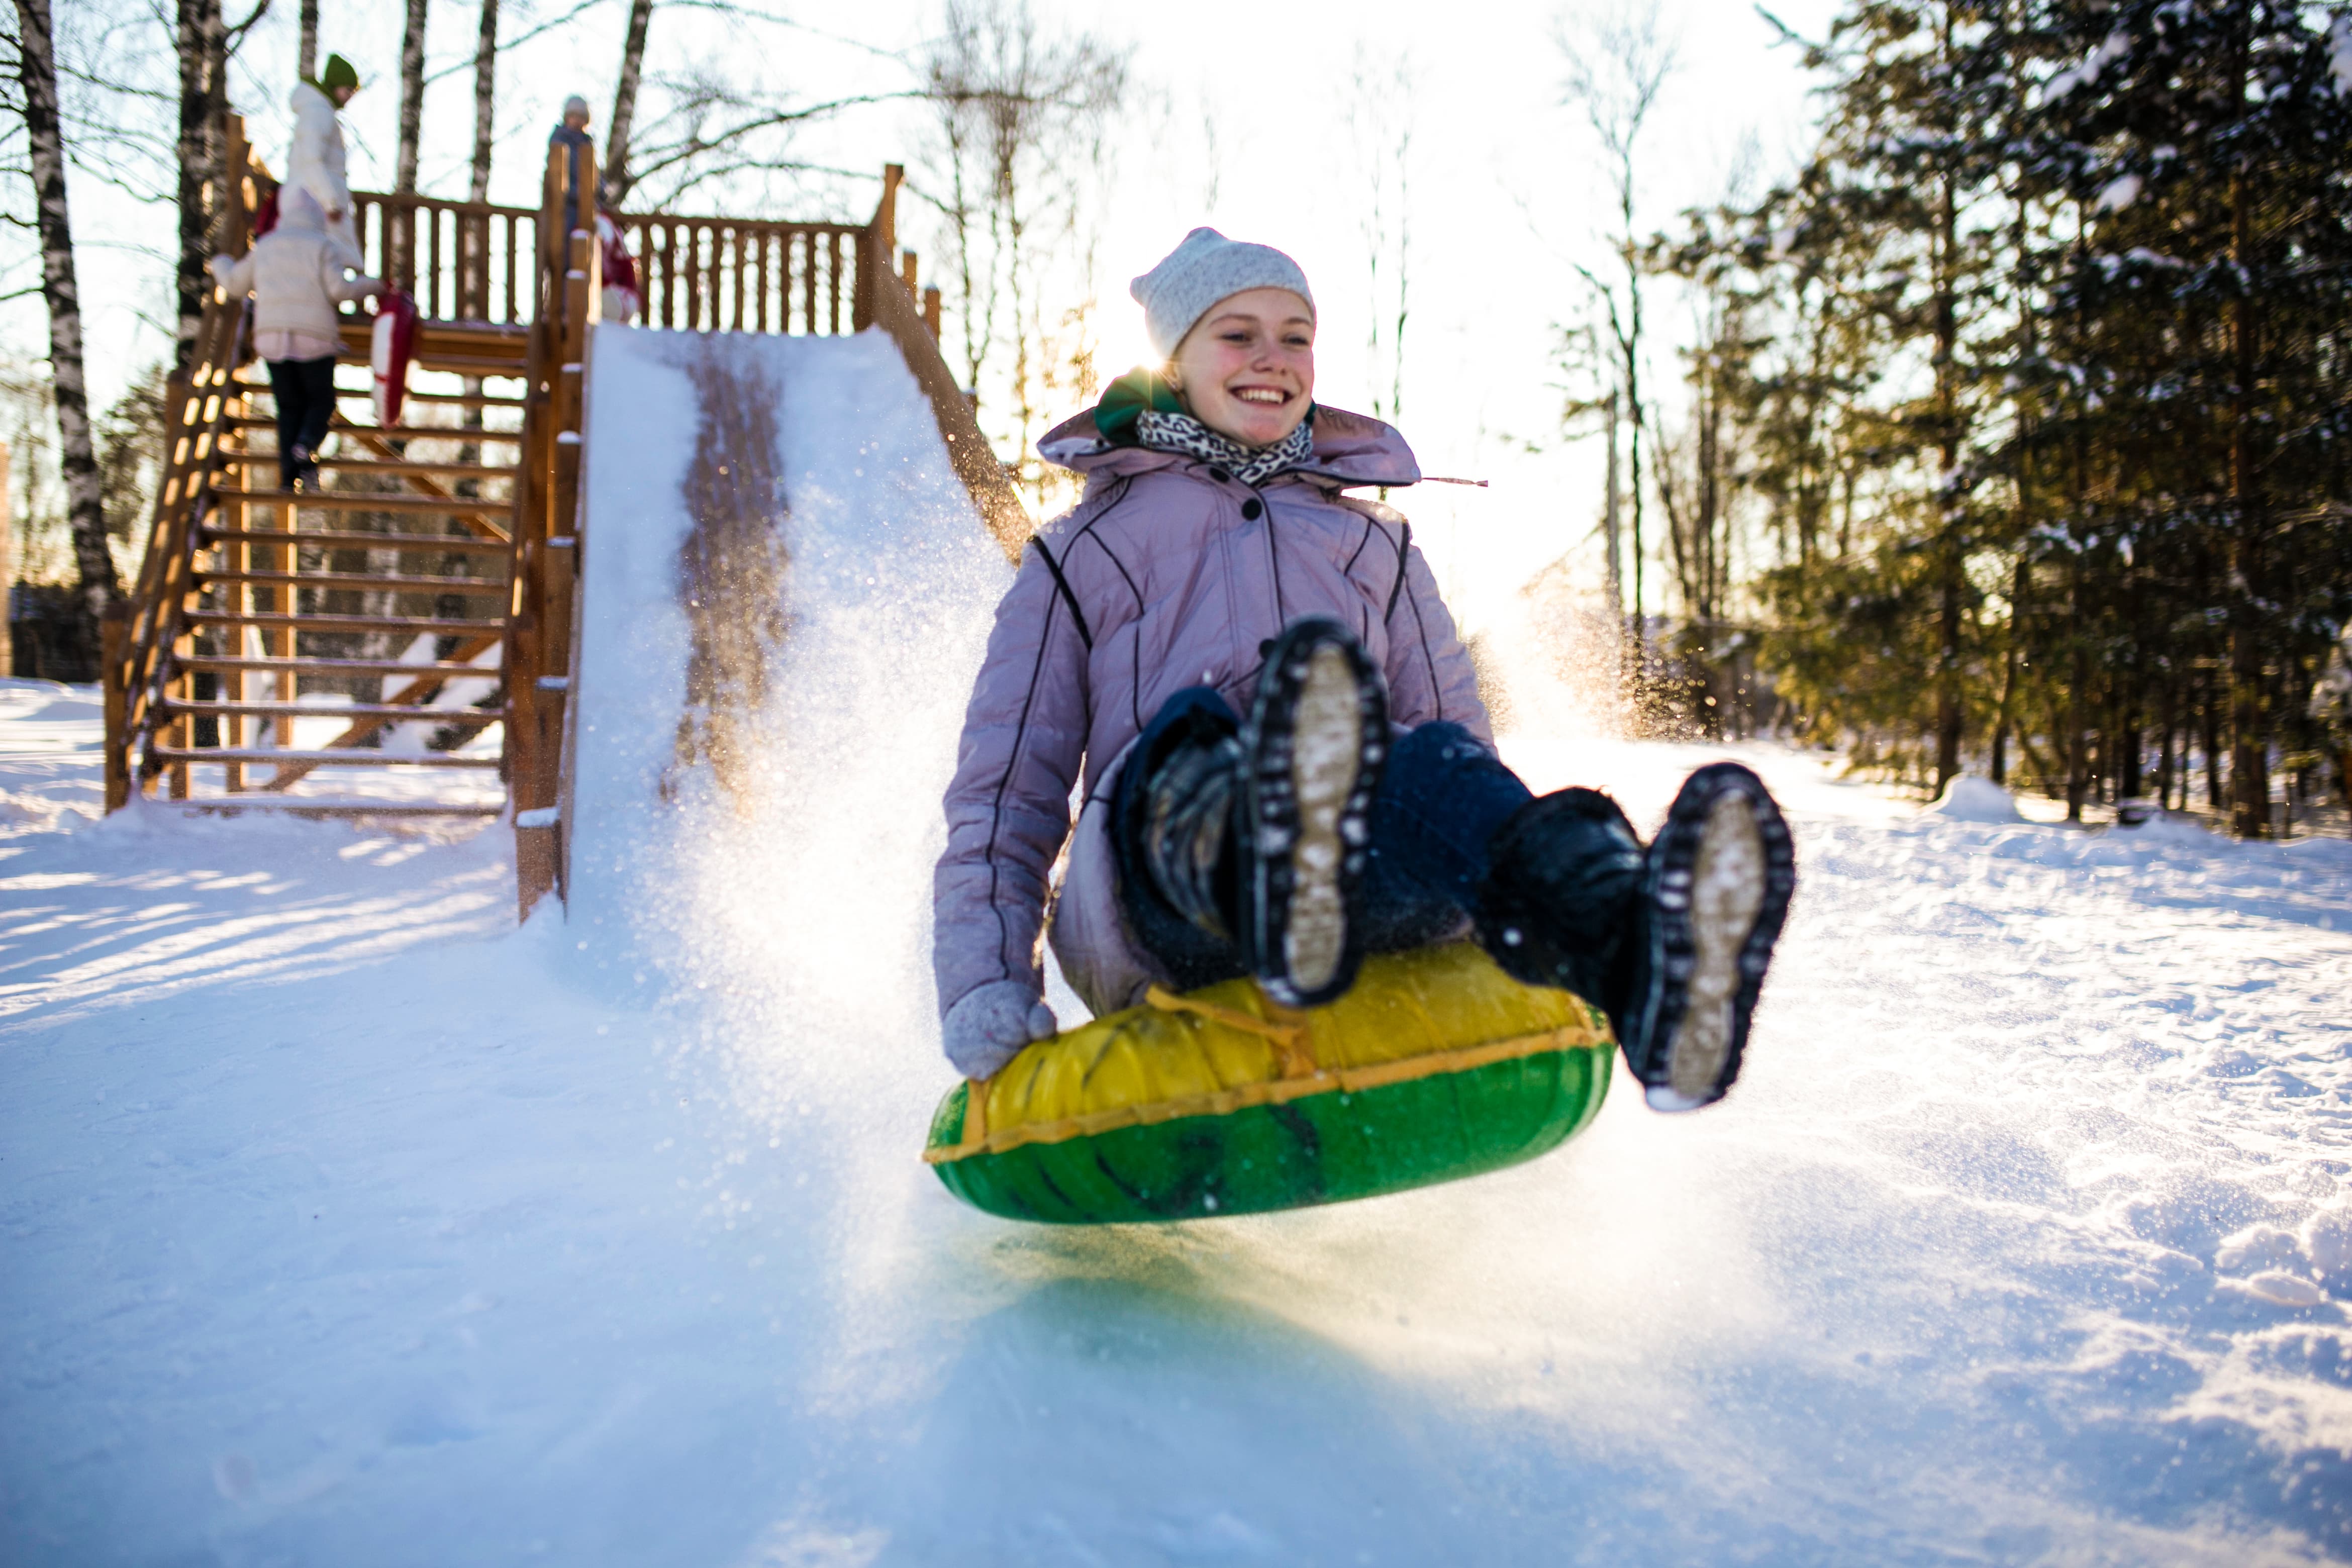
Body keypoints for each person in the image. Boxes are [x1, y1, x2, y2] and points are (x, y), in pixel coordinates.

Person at [934, 227, 1797, 1112]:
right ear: (1175, 364)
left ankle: (1638, 956)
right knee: (1190, 739)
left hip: (1369, 886)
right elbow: (1008, 793)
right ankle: (1269, 869)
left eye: (1296, 335)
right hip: (1165, 908)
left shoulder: (1375, 548)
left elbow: (1461, 750)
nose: (1274, 357)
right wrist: (985, 984)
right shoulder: (1085, 554)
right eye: (1237, 333)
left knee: (1425, 765)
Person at [210, 187, 384, 492]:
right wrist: (375, 287)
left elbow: (236, 285)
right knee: (321, 402)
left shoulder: (266, 246)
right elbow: (340, 291)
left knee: (289, 407)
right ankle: (305, 444)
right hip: (314, 337)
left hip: (272, 337)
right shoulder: (323, 246)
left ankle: (288, 478)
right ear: (317, 217)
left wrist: (220, 264)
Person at [286, 53, 361, 255]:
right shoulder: (319, 113)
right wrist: (331, 203)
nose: (350, 96)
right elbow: (312, 160)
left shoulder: (319, 111)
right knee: (327, 260)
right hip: (318, 205)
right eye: (348, 90)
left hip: (314, 201)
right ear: (335, 85)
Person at [550, 96, 595, 240]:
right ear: (567, 118)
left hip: (587, 202)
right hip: (567, 200)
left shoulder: (587, 144)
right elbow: (561, 172)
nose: (577, 120)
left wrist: (601, 190)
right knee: (568, 236)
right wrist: (578, 193)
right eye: (573, 116)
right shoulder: (560, 140)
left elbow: (594, 171)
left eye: (581, 117)